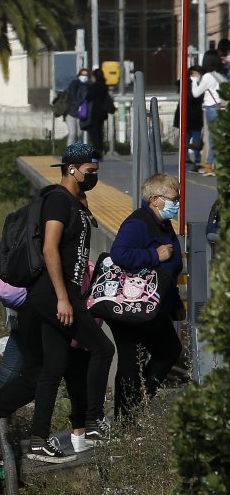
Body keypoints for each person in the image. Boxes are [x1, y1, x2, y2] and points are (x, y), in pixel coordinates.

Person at [0, 143, 115, 464]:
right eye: (90, 171)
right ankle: (91, 423)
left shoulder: (74, 203)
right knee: (103, 349)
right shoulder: (58, 202)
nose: (94, 177)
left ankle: (20, 433)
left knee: (49, 370)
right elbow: (49, 249)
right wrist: (63, 298)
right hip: (52, 295)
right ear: (72, 169)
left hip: (61, 294)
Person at [109, 173, 183, 419]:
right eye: (174, 198)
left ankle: (136, 406)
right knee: (132, 361)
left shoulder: (162, 223)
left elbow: (169, 270)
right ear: (155, 199)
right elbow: (119, 253)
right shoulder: (139, 223)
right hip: (132, 305)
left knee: (168, 350)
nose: (177, 203)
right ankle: (125, 418)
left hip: (153, 306)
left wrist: (174, 303)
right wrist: (154, 256)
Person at [192, 50, 227, 176]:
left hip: (210, 109)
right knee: (218, 138)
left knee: (211, 138)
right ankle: (217, 165)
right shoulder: (220, 75)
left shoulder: (207, 77)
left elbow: (196, 93)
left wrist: (194, 81)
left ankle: (208, 166)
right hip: (221, 108)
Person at [174, 66, 205, 173]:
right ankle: (197, 159)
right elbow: (194, 97)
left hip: (183, 115)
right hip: (194, 116)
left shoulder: (183, 84)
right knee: (195, 138)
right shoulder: (193, 84)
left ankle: (185, 158)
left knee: (185, 138)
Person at [81, 68, 116, 154]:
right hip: (102, 113)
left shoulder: (95, 86)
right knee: (100, 132)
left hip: (94, 112)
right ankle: (100, 150)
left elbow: (88, 97)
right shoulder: (104, 86)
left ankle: (97, 151)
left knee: (94, 132)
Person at [65, 68, 91, 145]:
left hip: (83, 114)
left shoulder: (88, 86)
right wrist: (81, 102)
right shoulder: (74, 84)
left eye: (86, 75)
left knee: (80, 135)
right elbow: (72, 97)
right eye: (82, 74)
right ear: (79, 75)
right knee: (72, 134)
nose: (84, 76)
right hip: (71, 113)